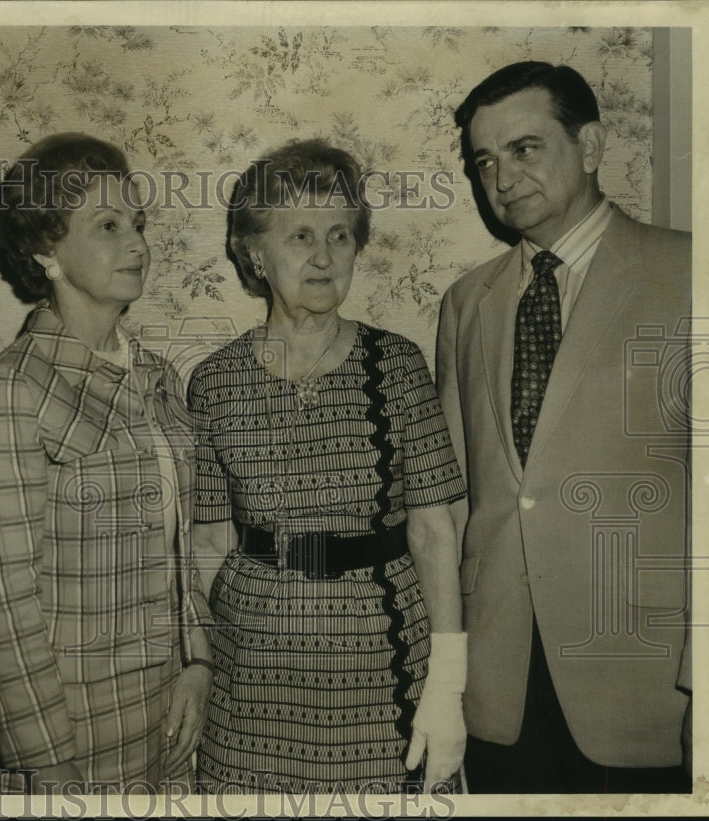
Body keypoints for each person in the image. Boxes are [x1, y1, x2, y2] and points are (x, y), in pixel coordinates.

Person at [437, 61, 692, 793]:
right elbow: (459, 504)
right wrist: (447, 678)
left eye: (525, 148)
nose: (503, 177)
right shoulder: (466, 302)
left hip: (642, 679)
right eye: (484, 161)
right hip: (499, 688)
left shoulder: (686, 274)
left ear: (592, 144)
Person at [189, 138, 468, 793]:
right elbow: (206, 544)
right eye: (301, 236)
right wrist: (204, 660)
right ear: (254, 252)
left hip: (381, 658)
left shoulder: (397, 365)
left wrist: (447, 683)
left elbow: (433, 530)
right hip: (253, 670)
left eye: (340, 235)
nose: (323, 255)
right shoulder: (214, 381)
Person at [0, 133, 213, 794]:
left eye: (137, 224)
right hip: (63, 740)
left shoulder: (157, 375)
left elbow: (181, 546)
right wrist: (46, 762)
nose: (136, 243)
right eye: (107, 226)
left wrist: (197, 660)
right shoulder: (8, 391)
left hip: (161, 722)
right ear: (46, 249)